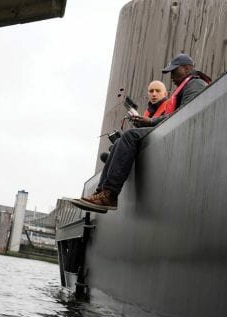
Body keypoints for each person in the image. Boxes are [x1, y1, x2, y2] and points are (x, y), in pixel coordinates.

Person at [74, 53, 211, 211]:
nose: (172, 76)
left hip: (177, 133)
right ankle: (102, 193)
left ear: (187, 68)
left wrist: (151, 121)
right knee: (119, 142)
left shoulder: (195, 84)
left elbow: (186, 113)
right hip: (168, 129)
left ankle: (110, 195)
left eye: (174, 71)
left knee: (129, 136)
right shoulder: (185, 86)